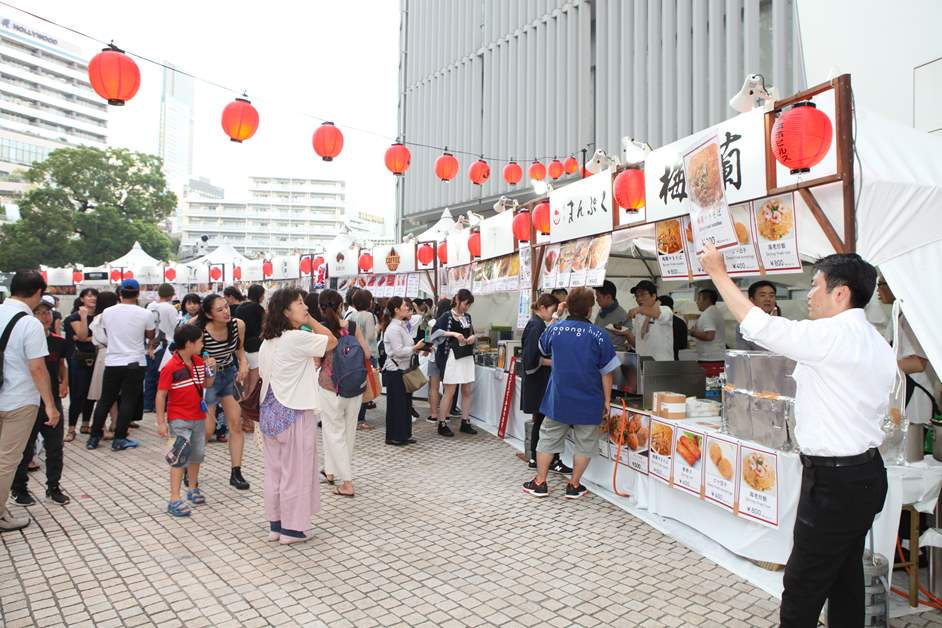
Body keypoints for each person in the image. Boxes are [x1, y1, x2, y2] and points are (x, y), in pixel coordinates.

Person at [699, 243, 895, 627]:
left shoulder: (834, 336)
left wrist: (719, 274)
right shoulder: (873, 340)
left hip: (835, 483)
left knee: (803, 585)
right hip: (864, 476)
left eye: (815, 284)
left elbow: (762, 327)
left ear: (840, 294)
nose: (808, 293)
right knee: (844, 577)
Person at [523, 287, 619, 499]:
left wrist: (556, 316)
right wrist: (607, 401)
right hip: (590, 398)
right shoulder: (600, 334)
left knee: (547, 438)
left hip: (559, 397)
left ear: (568, 306)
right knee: (585, 443)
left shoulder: (556, 329)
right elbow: (607, 372)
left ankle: (540, 482)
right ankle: (574, 485)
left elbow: (542, 347)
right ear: (589, 310)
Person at [258, 288, 336, 543]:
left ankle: (276, 525)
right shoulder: (294, 337)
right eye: (300, 303)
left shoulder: (268, 341)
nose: (305, 307)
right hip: (294, 411)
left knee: (275, 472)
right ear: (285, 311)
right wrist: (312, 320)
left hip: (270, 413)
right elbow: (332, 340)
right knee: (296, 471)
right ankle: (292, 529)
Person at [0, 270, 58, 532]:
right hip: (19, 400)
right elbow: (37, 368)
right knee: (7, 460)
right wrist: (50, 404)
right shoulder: (30, 323)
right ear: (38, 292)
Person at [10, 295, 69, 507]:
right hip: (28, 401)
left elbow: (61, 364)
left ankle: (53, 487)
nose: (45, 316)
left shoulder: (58, 341)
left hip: (51, 402)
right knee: (25, 450)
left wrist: (64, 383)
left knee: (55, 447)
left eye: (48, 312)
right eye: (40, 312)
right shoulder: (24, 337)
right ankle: (19, 489)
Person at [86, 279, 156, 452]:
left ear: (120, 293)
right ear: (138, 293)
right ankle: (120, 438)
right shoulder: (145, 313)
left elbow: (104, 331)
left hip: (113, 361)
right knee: (128, 400)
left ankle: (94, 437)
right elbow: (150, 334)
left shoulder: (108, 312)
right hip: (135, 361)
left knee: (105, 399)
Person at [156, 324, 215, 517]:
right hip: (178, 419)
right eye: (200, 341)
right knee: (178, 457)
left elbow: (207, 384)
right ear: (189, 344)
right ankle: (174, 498)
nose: (202, 344)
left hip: (198, 416)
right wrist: (161, 421)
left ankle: (193, 487)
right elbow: (161, 395)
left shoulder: (198, 362)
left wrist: (210, 370)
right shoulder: (171, 367)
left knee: (197, 454)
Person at [317, 290, 370, 496]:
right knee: (347, 432)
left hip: (330, 387)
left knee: (332, 432)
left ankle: (347, 483)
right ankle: (331, 472)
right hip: (354, 386)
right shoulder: (353, 326)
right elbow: (365, 352)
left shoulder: (321, 330)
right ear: (341, 306)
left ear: (320, 308)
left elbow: (315, 360)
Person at [197, 294, 249, 489]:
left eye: (226, 307)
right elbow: (189, 355)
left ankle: (236, 472)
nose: (226, 312)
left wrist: (243, 363)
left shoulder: (238, 325)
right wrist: (203, 364)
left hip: (229, 376)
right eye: (219, 310)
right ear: (209, 314)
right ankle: (191, 467)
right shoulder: (199, 329)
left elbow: (240, 349)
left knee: (236, 425)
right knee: (207, 429)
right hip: (207, 380)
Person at [877, 279, 939, 438]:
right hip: (902, 391)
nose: (877, 289)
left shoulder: (912, 319)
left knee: (914, 449)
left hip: (916, 393)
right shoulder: (898, 314)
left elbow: (918, 363)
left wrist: (876, 367)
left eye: (882, 284)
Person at [521, 293, 572, 474]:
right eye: (551, 310)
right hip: (539, 381)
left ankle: (537, 458)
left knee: (540, 421)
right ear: (542, 308)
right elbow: (533, 358)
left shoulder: (537, 323)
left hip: (538, 381)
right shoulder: (536, 325)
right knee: (546, 422)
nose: (552, 314)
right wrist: (556, 362)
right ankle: (549, 460)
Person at [432, 289, 479, 437]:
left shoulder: (468, 317)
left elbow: (471, 332)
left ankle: (465, 421)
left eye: (469, 305)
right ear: (458, 300)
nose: (466, 307)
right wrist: (453, 334)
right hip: (452, 357)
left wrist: (473, 337)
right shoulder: (447, 316)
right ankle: (442, 422)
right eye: (465, 304)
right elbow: (435, 333)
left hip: (466, 356)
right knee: (449, 391)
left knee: (466, 390)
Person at [383, 297, 425, 446]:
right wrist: (415, 348)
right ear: (396, 310)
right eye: (405, 306)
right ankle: (395, 436)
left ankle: (404, 434)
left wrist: (420, 348)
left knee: (405, 404)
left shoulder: (401, 326)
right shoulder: (394, 328)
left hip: (404, 369)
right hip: (396, 370)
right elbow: (398, 351)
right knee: (397, 404)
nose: (408, 308)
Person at [64, 288, 98, 441]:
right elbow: (83, 336)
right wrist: (84, 318)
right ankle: (71, 428)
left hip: (96, 358)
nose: (92, 298)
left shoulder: (99, 316)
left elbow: (85, 337)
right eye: (89, 296)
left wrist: (86, 338)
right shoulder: (74, 317)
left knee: (91, 393)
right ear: (82, 298)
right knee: (78, 394)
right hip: (79, 360)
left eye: (94, 295)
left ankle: (86, 423)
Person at [87, 291, 119, 439]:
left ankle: (114, 423)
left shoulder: (98, 318)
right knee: (104, 394)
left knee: (109, 394)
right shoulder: (101, 318)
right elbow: (103, 338)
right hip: (107, 353)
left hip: (106, 354)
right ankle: (103, 427)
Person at [144, 284, 180, 413]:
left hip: (151, 345)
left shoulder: (150, 306)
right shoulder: (170, 308)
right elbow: (176, 326)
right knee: (163, 376)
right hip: (166, 346)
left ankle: (148, 404)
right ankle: (160, 405)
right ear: (171, 294)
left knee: (150, 376)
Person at [621, 280, 674, 361]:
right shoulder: (639, 315)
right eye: (636, 296)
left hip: (662, 365)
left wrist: (639, 309)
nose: (639, 299)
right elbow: (638, 343)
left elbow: (657, 313)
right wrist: (627, 333)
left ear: (653, 296)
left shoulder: (665, 309)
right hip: (644, 364)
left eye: (642, 295)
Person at [348, 289, 379, 428]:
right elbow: (372, 336)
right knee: (367, 387)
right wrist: (379, 328)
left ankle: (354, 417)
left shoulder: (351, 316)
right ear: (369, 302)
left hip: (354, 354)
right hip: (368, 353)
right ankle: (361, 419)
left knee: (357, 386)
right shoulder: (369, 316)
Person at [424, 298, 453, 424]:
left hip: (434, 357)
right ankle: (446, 414)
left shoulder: (432, 322)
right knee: (449, 388)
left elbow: (428, 340)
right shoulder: (452, 321)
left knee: (434, 387)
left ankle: (434, 414)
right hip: (449, 358)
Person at [235, 284, 265, 396]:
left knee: (246, 381)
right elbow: (263, 327)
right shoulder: (258, 309)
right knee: (255, 380)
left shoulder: (239, 308)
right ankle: (250, 407)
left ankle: (245, 402)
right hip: (255, 348)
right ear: (260, 295)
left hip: (241, 349)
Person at [735, 280, 778, 350]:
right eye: (762, 295)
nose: (768, 299)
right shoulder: (745, 324)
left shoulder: (779, 321)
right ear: (752, 300)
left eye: (771, 295)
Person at [688, 288, 727, 366]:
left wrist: (692, 332)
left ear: (707, 300)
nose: (696, 302)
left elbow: (709, 336)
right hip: (715, 358)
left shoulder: (708, 314)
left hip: (711, 359)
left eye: (698, 299)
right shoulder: (714, 311)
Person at [593, 281, 628, 349]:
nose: (596, 300)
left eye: (598, 297)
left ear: (608, 297)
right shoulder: (602, 311)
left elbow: (629, 337)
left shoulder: (622, 315)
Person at [657, 295, 689, 361]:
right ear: (672, 307)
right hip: (674, 361)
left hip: (657, 361)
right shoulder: (681, 322)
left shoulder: (655, 322)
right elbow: (683, 345)